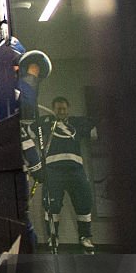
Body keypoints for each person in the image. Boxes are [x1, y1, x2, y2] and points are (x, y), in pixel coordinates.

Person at [39, 95, 98, 253]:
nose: (62, 112)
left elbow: (94, 129)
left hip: (75, 170)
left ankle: (85, 237)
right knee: (52, 205)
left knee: (84, 201)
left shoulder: (77, 123)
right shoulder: (46, 123)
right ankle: (53, 237)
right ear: (54, 109)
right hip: (53, 170)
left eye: (64, 109)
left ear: (68, 109)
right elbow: (29, 132)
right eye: (59, 109)